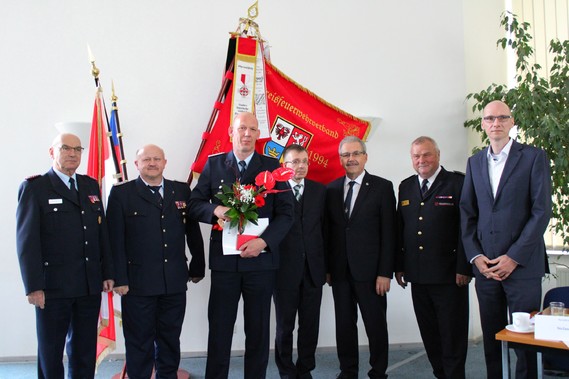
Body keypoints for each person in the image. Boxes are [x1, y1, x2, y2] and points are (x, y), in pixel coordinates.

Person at [189, 112, 294, 379]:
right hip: (225, 264)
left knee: (258, 331)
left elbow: (286, 214)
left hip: (261, 262)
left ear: (259, 135)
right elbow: (194, 204)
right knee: (220, 328)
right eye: (241, 128)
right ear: (231, 133)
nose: (246, 133)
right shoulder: (214, 166)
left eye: (252, 129)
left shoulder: (272, 166)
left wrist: (264, 241)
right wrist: (216, 210)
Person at [460, 100, 552, 379]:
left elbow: (541, 211)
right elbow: (467, 212)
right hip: (486, 267)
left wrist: (513, 257)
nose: (495, 123)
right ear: (483, 124)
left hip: (522, 267)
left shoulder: (534, 157)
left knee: (525, 341)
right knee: (492, 338)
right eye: (489, 119)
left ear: (512, 122)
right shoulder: (475, 162)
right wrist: (476, 257)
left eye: (502, 118)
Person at [16, 133, 114, 378]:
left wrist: (107, 272)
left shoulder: (90, 185)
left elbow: (101, 234)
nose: (72, 154)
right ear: (52, 152)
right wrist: (34, 286)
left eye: (78, 149)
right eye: (66, 148)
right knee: (51, 351)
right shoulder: (35, 187)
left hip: (88, 284)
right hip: (53, 287)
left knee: (84, 350)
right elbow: (27, 243)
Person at [106, 144, 205, 379]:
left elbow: (192, 231)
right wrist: (119, 278)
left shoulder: (181, 191)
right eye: (146, 159)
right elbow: (114, 240)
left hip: (174, 280)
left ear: (165, 162)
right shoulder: (122, 194)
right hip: (137, 284)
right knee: (139, 340)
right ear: (136, 164)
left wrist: (198, 265)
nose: (152, 163)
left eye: (157, 159)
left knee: (170, 338)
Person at [395, 136, 472, 379]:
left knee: (452, 334)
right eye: (416, 156)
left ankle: (454, 376)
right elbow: (401, 229)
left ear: (438, 155)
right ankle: (440, 374)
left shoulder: (457, 183)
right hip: (417, 275)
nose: (421, 160)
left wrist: (465, 267)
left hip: (450, 275)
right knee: (429, 333)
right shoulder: (406, 186)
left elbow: (465, 230)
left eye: (426, 154)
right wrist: (399, 266)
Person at [325, 135, 397, 379]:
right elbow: (328, 233)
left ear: (365, 156)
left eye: (356, 154)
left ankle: (378, 371)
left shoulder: (383, 187)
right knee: (344, 326)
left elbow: (390, 233)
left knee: (375, 326)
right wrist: (327, 269)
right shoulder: (331, 189)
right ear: (340, 159)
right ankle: (348, 371)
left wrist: (385, 272)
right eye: (346, 155)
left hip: (372, 273)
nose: (351, 159)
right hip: (340, 272)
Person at [274, 144, 326, 379]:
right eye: (294, 162)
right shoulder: (273, 192)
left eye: (304, 161)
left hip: (314, 270)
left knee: (310, 326)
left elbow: (326, 231)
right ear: (284, 165)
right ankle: (286, 371)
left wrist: (327, 268)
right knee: (285, 327)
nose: (300, 166)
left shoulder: (320, 191)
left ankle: (305, 370)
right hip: (283, 271)